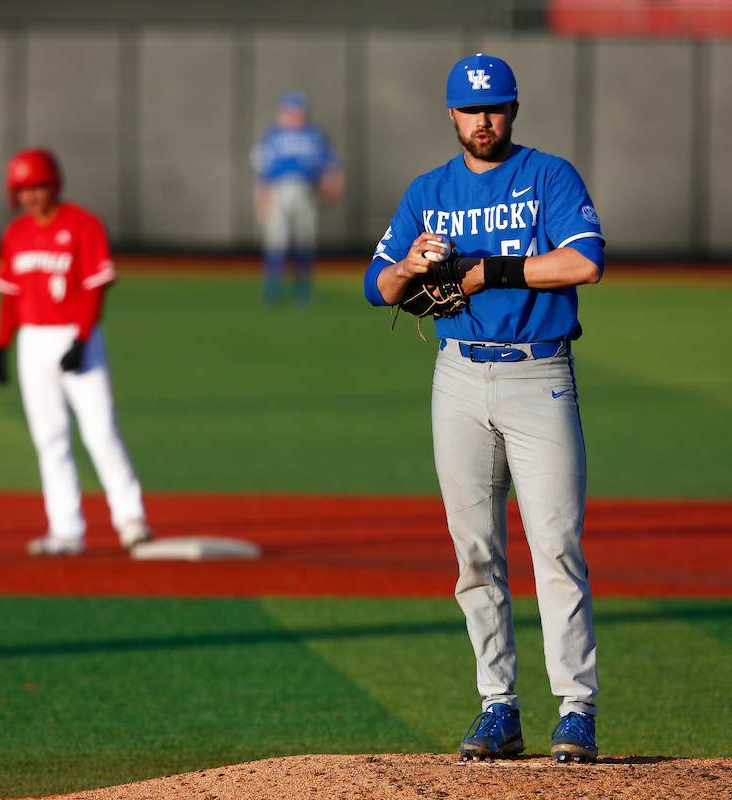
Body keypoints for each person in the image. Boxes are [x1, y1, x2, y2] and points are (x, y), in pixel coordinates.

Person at [364, 55, 604, 763]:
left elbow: (584, 261)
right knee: (475, 553)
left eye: (495, 107)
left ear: (514, 108)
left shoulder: (548, 177)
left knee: (556, 546)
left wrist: (486, 270)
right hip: (458, 378)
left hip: (540, 374)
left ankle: (577, 708)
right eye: (472, 110)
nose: (484, 120)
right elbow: (379, 285)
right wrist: (410, 264)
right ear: (451, 115)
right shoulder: (428, 191)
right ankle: (498, 705)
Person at [0, 147, 152, 556]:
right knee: (50, 439)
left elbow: (96, 286)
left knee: (99, 432)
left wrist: (82, 339)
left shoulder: (83, 225)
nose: (32, 195)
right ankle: (66, 529)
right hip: (33, 341)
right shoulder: (16, 234)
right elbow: (10, 296)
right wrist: (1, 345)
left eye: (39, 185)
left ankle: (130, 518)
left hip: (77, 337)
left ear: (55, 184)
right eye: (23, 188)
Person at [251, 89, 344, 305]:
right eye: (290, 112)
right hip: (278, 191)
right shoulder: (272, 136)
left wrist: (334, 187)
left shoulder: (315, 135)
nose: (294, 116)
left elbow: (332, 167)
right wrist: (262, 199)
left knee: (306, 240)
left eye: (298, 112)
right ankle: (272, 288)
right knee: (276, 240)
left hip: (306, 192)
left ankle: (303, 289)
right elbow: (262, 173)